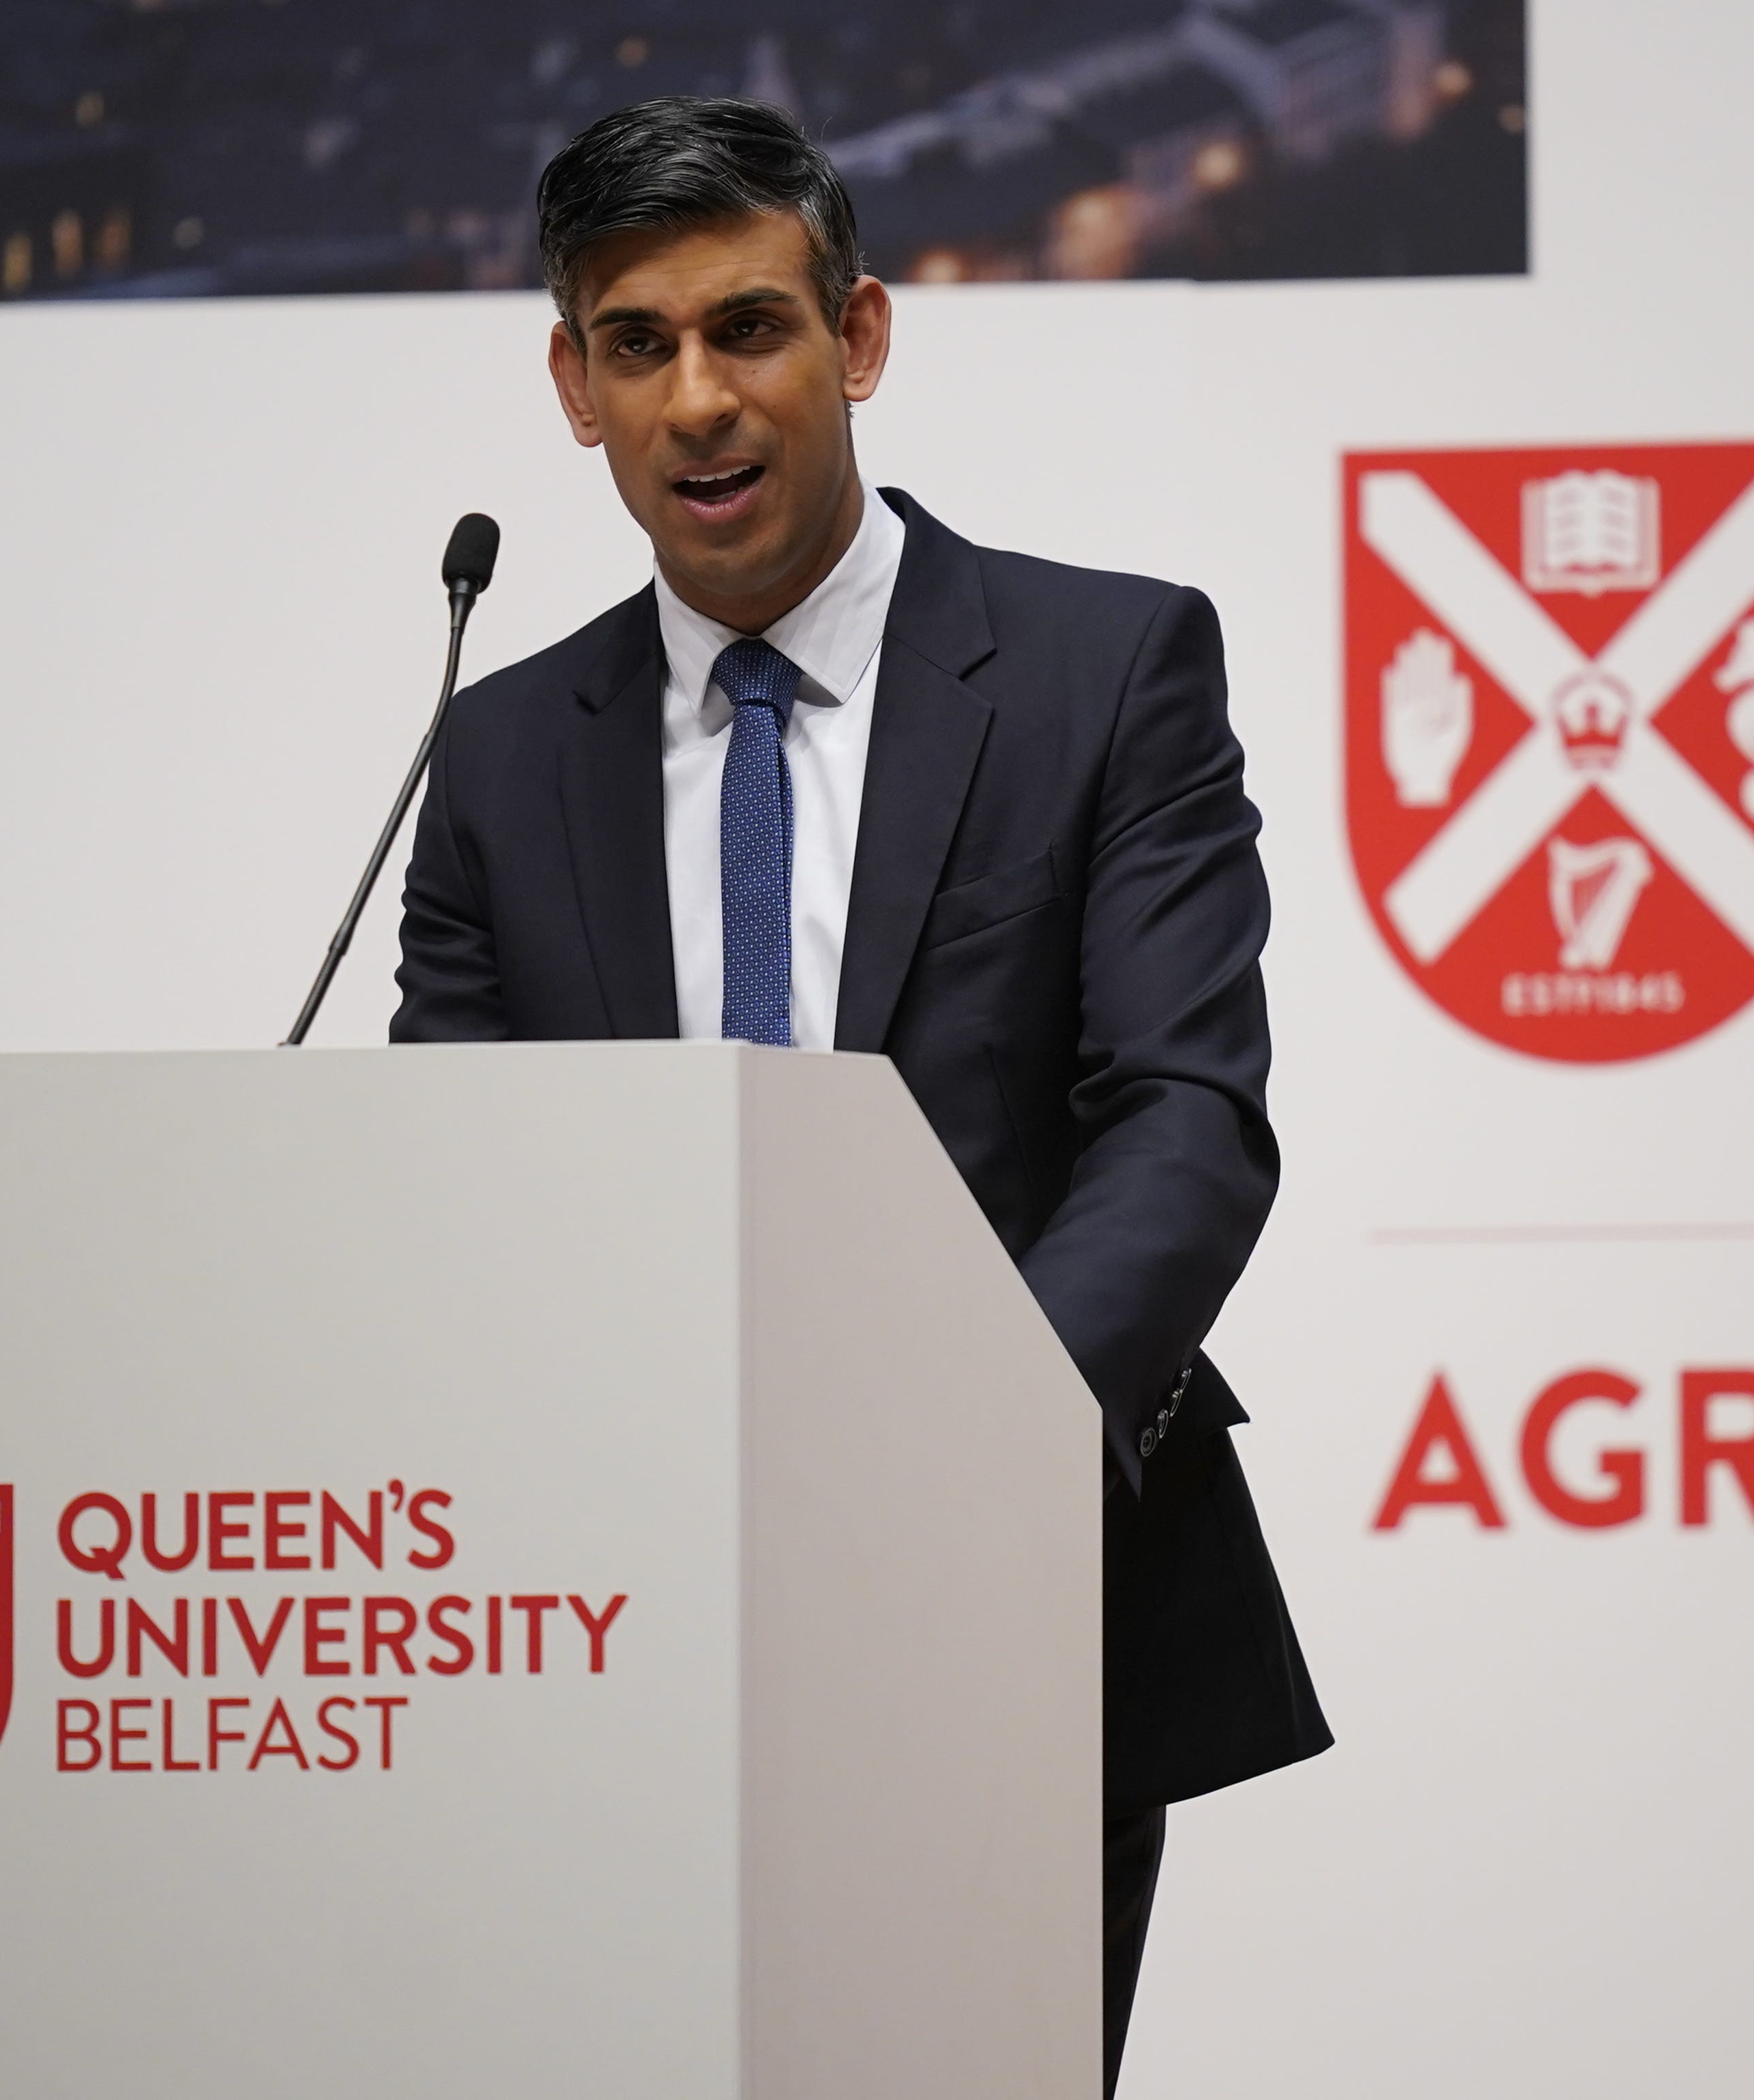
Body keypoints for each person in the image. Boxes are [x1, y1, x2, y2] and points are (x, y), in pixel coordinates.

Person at [391, 95, 1329, 2093]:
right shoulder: (490, 758)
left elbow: (1183, 1118)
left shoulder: (1102, 671)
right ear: (571, 383)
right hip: (611, 1638)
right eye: (636, 345)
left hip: (1006, 1611)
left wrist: (954, 1458)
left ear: (862, 339)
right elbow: (449, 1185)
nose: (699, 400)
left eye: (751, 330)